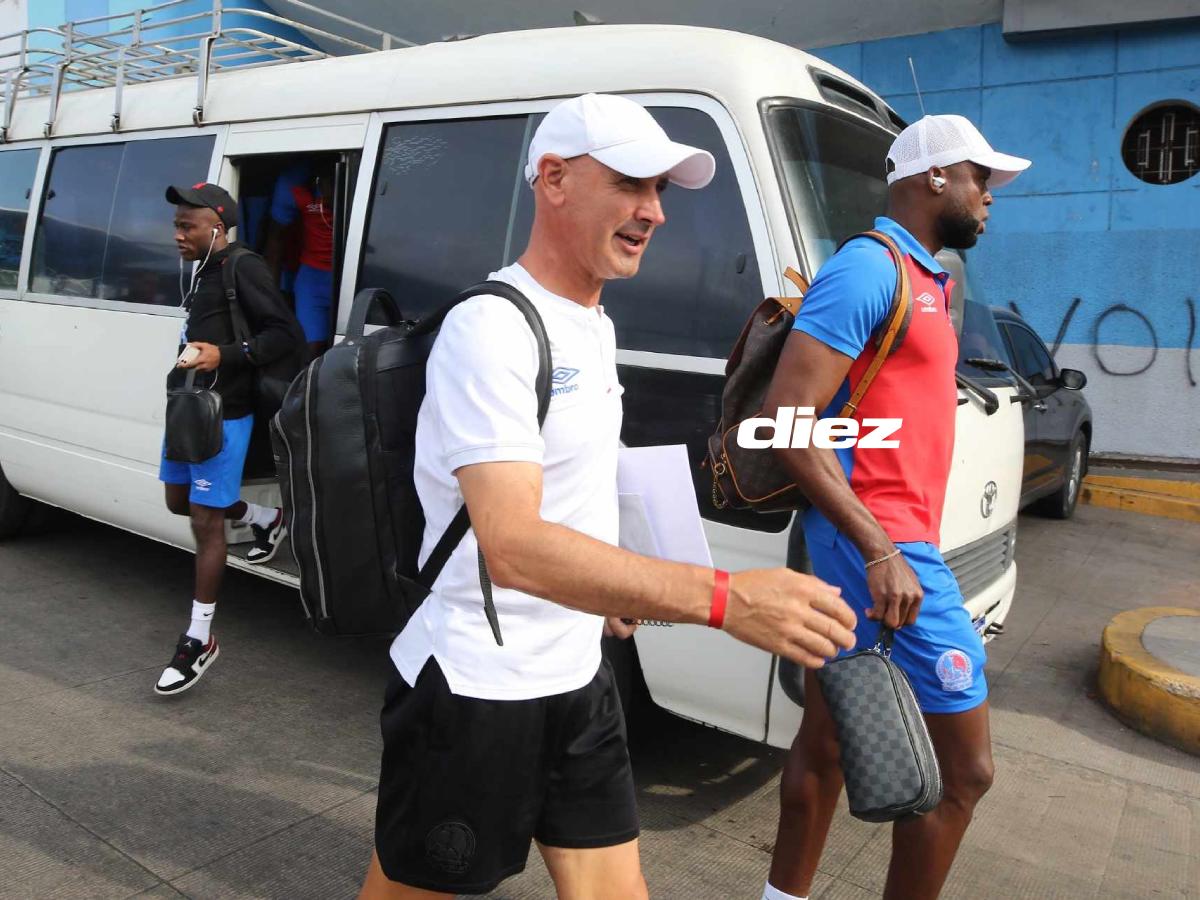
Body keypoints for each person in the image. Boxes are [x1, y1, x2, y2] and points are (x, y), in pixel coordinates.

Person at [357, 93, 860, 900]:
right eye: (631, 183)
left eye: (661, 190)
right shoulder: (491, 328)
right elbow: (513, 543)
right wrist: (726, 599)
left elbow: (576, 478)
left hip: (579, 672)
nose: (654, 211)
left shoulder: (592, 324)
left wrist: (614, 585)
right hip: (478, 690)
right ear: (554, 179)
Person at [760, 115, 1031, 900]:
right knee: (965, 772)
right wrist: (880, 549)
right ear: (934, 177)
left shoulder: (928, 279)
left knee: (826, 742)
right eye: (981, 178)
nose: (989, 197)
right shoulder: (869, 268)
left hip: (884, 540)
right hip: (880, 547)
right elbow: (789, 420)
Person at [157, 182, 304, 697]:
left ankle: (199, 638)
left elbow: (285, 333)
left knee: (205, 521)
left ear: (217, 226)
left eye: (186, 225)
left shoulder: (245, 266)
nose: (177, 234)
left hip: (226, 412)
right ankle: (264, 517)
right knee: (179, 502)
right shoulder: (203, 271)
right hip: (188, 408)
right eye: (176, 224)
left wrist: (226, 354)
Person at [265, 157, 335, 358]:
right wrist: (270, 298)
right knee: (310, 350)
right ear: (319, 182)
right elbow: (275, 241)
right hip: (312, 278)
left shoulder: (361, 176)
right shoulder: (292, 184)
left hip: (351, 274)